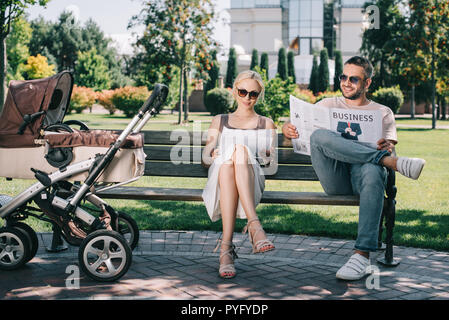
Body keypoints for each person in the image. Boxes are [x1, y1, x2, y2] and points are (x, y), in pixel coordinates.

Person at [282, 56, 426, 281]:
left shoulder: (383, 112)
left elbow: (390, 146)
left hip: (364, 179)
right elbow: (302, 131)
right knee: (320, 135)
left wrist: (387, 151)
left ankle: (361, 255)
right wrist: (287, 128)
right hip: (335, 177)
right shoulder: (326, 105)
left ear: (367, 83)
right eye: (343, 77)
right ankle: (390, 164)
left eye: (353, 79)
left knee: (374, 169)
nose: (346, 83)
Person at [202, 70, 278, 279]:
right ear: (234, 91)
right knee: (228, 162)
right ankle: (254, 227)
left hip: (251, 180)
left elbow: (271, 164)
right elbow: (206, 156)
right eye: (243, 92)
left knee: (239, 152)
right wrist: (212, 153)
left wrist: (268, 154)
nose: (247, 98)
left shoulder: (266, 123)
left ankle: (226, 250)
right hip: (221, 178)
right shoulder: (220, 120)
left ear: (259, 95)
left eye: (253, 94)